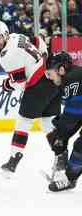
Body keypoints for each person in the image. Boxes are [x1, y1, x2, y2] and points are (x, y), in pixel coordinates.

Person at [0, 20, 61, 176]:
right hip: (53, 80)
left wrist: (8, 84)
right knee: (48, 123)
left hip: (38, 86)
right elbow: (38, 40)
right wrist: (44, 58)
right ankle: (62, 157)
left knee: (23, 122)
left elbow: (21, 83)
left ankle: (13, 160)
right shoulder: (16, 36)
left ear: (5, 34)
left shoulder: (6, 57)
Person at [45, 52, 82, 192]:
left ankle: (70, 179)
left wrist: (60, 135)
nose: (50, 78)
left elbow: (74, 114)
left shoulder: (71, 79)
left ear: (61, 69)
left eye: (50, 74)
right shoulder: (72, 77)